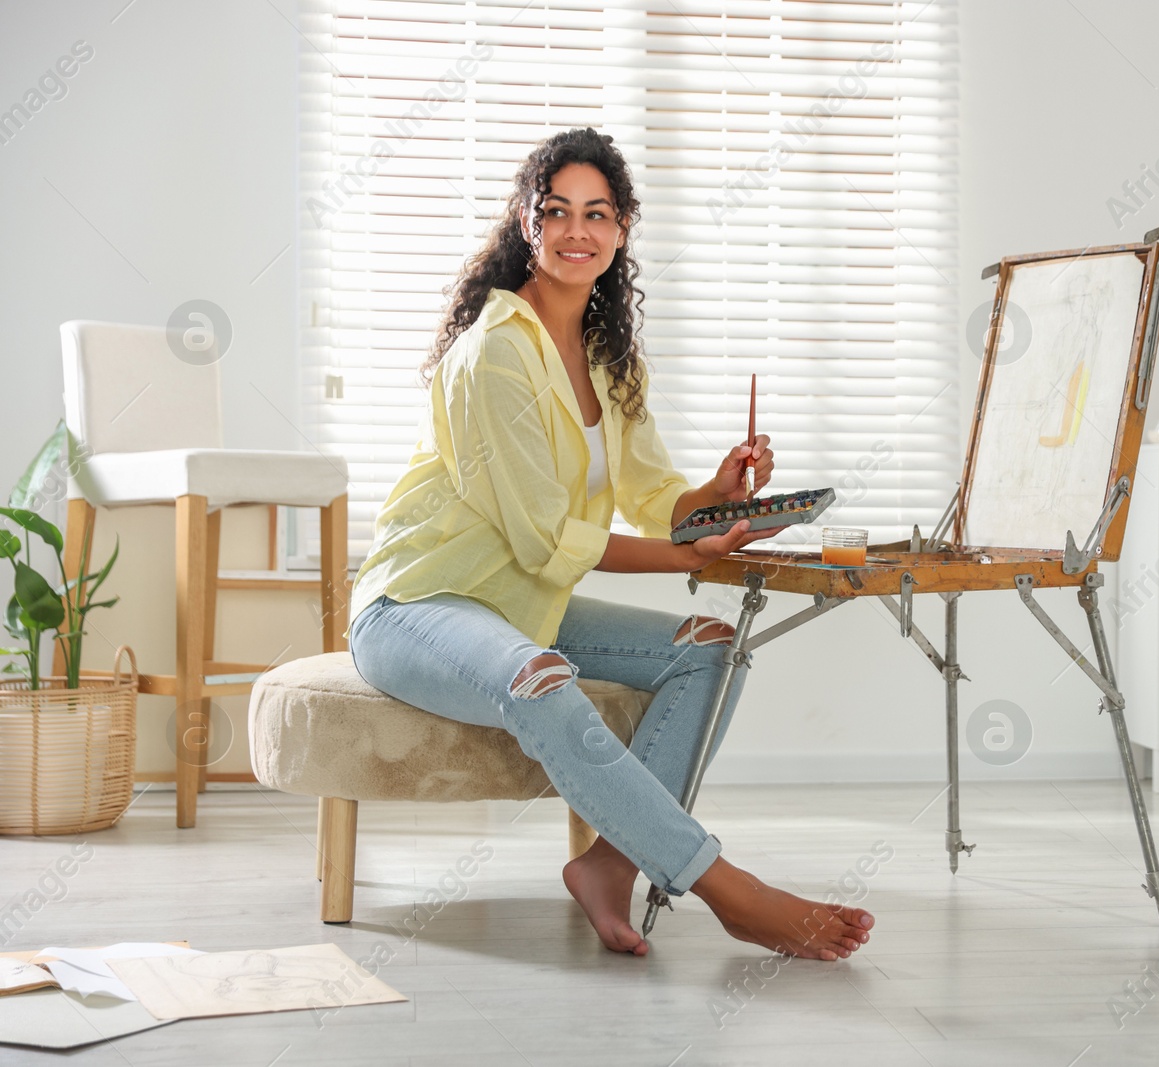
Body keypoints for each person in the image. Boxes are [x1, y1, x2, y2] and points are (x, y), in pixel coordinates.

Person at [347, 127, 873, 960]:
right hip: (419, 604)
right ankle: (731, 890)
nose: (577, 231)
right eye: (557, 212)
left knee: (710, 647)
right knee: (541, 680)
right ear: (527, 221)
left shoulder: (605, 354)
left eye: (598, 214)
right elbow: (548, 535)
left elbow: (657, 498)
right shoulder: (492, 354)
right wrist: (687, 558)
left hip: (523, 602)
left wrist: (720, 492)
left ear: (623, 229)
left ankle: (610, 863)